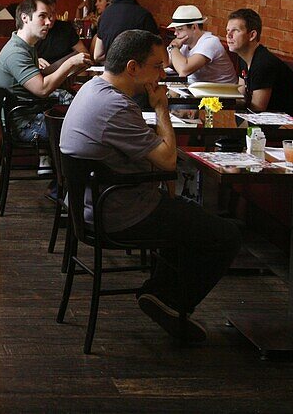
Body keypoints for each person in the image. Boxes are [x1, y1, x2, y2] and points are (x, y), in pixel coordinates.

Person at [59, 29, 240, 342]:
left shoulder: (92, 88)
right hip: (116, 214)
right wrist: (160, 108)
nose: (163, 72)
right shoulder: (116, 106)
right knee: (226, 235)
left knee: (186, 215)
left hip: (90, 206)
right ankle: (169, 300)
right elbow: (168, 161)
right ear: (133, 67)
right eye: (157, 66)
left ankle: (162, 296)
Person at [0, 0, 93, 173]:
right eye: (42, 16)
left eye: (50, 16)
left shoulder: (25, 46)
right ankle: (68, 186)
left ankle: (67, 183)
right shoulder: (16, 52)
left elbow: (40, 76)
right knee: (87, 128)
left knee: (83, 116)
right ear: (25, 18)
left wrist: (70, 65)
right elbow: (42, 89)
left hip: (28, 114)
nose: (49, 22)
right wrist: (70, 63)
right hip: (24, 125)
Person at [225, 8, 293, 120]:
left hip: (289, 128)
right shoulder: (243, 58)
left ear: (252, 35)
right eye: (227, 30)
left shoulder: (263, 64)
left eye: (235, 30)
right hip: (267, 123)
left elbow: (257, 110)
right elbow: (241, 97)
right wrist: (216, 102)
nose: (229, 35)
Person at [93, 0, 158, 62]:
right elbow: (160, 56)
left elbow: (97, 55)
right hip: (135, 75)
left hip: (111, 74)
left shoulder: (105, 14)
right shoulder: (143, 15)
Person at [165, 5, 237, 84]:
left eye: (179, 29)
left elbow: (184, 70)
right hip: (198, 90)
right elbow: (166, 63)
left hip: (221, 93)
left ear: (194, 27)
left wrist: (174, 47)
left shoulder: (210, 42)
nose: (175, 33)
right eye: (175, 29)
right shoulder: (185, 44)